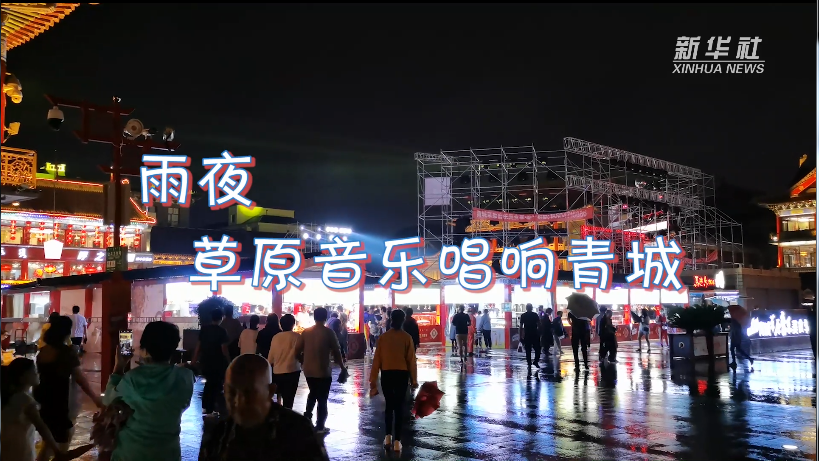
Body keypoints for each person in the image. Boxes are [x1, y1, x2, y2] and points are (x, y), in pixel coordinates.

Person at [199, 354, 330, 461]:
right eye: (231, 392)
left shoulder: (297, 430)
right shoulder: (218, 433)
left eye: (249, 392)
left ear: (270, 392)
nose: (238, 402)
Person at [103, 321, 195, 461]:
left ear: (144, 347)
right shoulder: (186, 377)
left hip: (131, 453)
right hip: (168, 453)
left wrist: (119, 366)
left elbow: (108, 400)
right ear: (174, 346)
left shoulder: (132, 378)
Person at [33, 315, 102, 461]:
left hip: (44, 399)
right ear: (66, 332)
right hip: (60, 401)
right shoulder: (66, 353)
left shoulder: (43, 351)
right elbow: (80, 379)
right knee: (63, 442)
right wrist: (95, 399)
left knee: (49, 440)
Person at [370, 309, 418, 453]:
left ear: (391, 319)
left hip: (387, 374)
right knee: (399, 407)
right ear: (402, 320)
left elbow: (377, 360)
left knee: (389, 406)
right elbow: (411, 361)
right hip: (402, 375)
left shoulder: (383, 338)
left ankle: (387, 437)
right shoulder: (406, 337)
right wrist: (414, 380)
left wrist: (373, 380)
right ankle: (398, 441)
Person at [2, 358, 65, 461]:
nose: (37, 373)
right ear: (22, 377)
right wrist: (57, 450)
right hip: (21, 451)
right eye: (34, 372)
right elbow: (42, 428)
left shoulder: (9, 396)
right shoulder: (26, 401)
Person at [299, 307, 347, 433]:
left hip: (308, 370)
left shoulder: (306, 332)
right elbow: (337, 352)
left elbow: (296, 351)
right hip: (323, 370)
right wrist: (342, 368)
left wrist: (302, 362)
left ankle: (307, 416)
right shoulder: (329, 332)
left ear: (314, 317)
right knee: (322, 398)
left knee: (313, 392)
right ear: (326, 317)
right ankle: (320, 425)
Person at [193, 309, 230, 415]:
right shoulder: (222, 331)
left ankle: (206, 406)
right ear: (221, 318)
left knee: (209, 382)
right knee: (216, 384)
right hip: (218, 361)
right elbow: (224, 349)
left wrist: (194, 360)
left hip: (205, 360)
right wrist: (228, 360)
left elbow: (198, 346)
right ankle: (211, 407)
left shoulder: (204, 330)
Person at [269, 314, 303, 409]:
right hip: (293, 371)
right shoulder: (297, 337)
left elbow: (271, 358)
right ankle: (287, 420)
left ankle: (279, 419)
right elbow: (300, 354)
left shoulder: (276, 337)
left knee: (278, 397)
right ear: (293, 324)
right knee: (289, 401)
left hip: (278, 372)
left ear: (281, 324)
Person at [519, 304, 541, 369]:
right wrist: (540, 332)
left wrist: (520, 336)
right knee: (538, 349)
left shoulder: (523, 315)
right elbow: (539, 324)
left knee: (528, 350)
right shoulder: (535, 315)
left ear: (526, 308)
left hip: (527, 334)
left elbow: (520, 327)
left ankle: (529, 363)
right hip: (535, 333)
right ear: (532, 308)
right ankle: (535, 361)